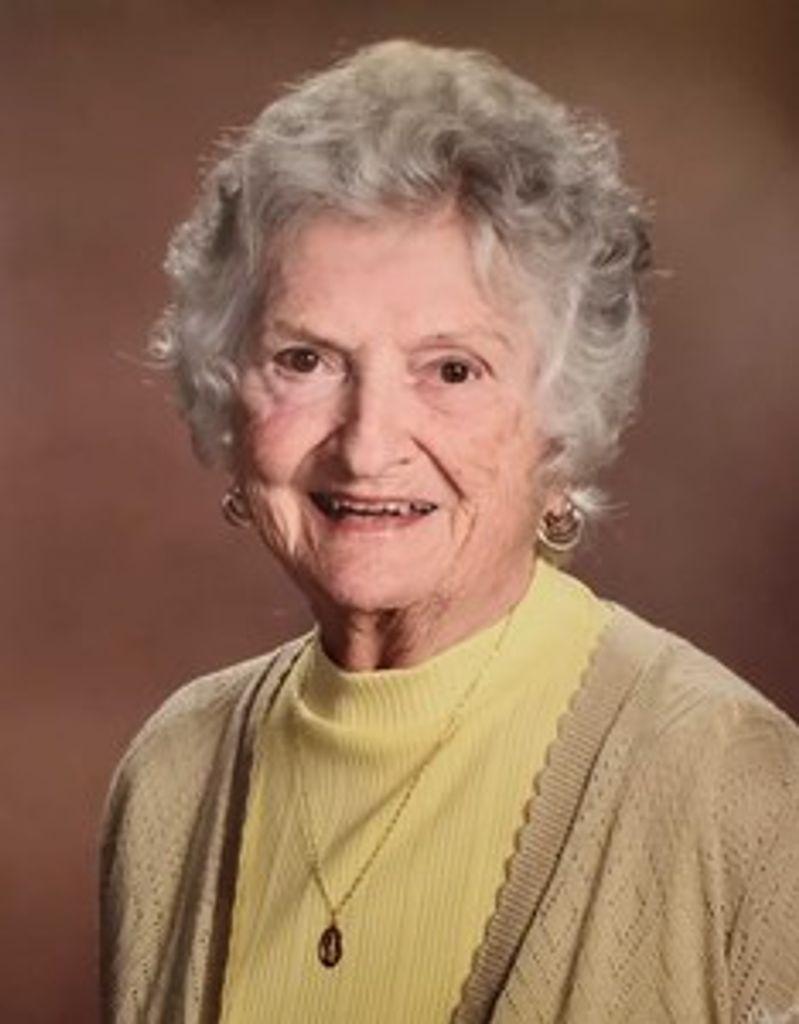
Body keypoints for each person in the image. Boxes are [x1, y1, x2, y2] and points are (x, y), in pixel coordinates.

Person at [100, 40, 799, 1023]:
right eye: (305, 360)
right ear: (227, 391)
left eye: (452, 369)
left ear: (561, 416)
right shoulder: (171, 777)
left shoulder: (729, 782)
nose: (367, 444)